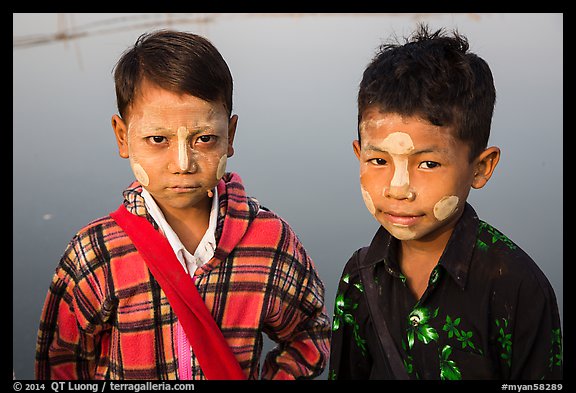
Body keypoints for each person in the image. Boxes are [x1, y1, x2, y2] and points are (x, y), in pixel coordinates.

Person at [35, 29, 330, 380]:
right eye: (157, 139)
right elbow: (61, 363)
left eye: (204, 139)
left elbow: (310, 333)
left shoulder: (268, 241)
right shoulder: (96, 253)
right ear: (122, 136)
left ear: (230, 136)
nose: (182, 163)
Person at [328, 23, 562, 380]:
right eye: (378, 161)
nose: (398, 188)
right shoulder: (359, 279)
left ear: (480, 168)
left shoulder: (516, 287)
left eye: (429, 164)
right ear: (358, 154)